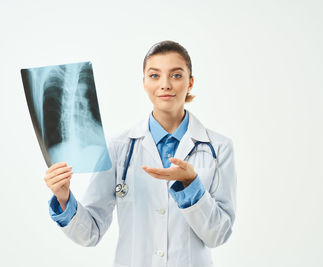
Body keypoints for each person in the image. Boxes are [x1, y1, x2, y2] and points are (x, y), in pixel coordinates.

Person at [44, 40, 237, 267]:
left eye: (176, 75)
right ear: (144, 82)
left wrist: (191, 184)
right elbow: (91, 233)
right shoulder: (118, 147)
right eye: (154, 75)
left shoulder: (219, 147)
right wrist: (64, 197)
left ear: (190, 82)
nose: (165, 84)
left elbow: (218, 235)